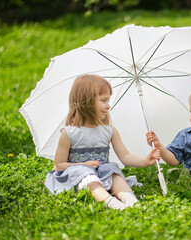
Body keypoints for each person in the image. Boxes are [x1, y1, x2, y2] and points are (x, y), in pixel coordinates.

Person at [45, 75, 159, 210]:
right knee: (87, 175)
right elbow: (59, 165)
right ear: (86, 102)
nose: (108, 105)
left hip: (102, 172)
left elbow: (125, 157)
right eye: (104, 100)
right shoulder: (69, 133)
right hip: (78, 175)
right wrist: (83, 165)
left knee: (113, 172)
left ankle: (130, 201)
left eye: (108, 100)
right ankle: (111, 203)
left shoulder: (109, 131)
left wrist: (145, 161)